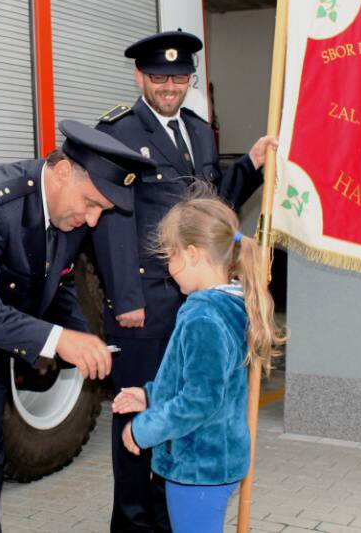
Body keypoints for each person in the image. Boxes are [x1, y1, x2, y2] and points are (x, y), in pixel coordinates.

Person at [0, 120, 153, 532]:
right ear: (65, 172)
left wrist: (83, 335)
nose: (91, 221)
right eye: (90, 204)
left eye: (100, 212)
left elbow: (58, 277)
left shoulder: (65, 213)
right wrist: (59, 340)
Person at [91, 29, 277, 531]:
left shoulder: (198, 131)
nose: (168, 86)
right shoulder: (119, 133)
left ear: (191, 79)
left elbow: (212, 208)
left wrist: (252, 167)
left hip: (196, 295)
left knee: (180, 412)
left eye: (177, 77)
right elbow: (110, 218)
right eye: (157, 77)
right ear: (139, 77)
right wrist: (125, 298)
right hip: (145, 306)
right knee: (137, 428)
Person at [111, 189, 286, 533]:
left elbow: (200, 399)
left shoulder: (203, 316)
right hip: (214, 460)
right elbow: (196, 379)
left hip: (199, 467)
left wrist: (144, 428)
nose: (169, 267)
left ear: (193, 254)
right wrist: (149, 395)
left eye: (171, 255)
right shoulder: (230, 304)